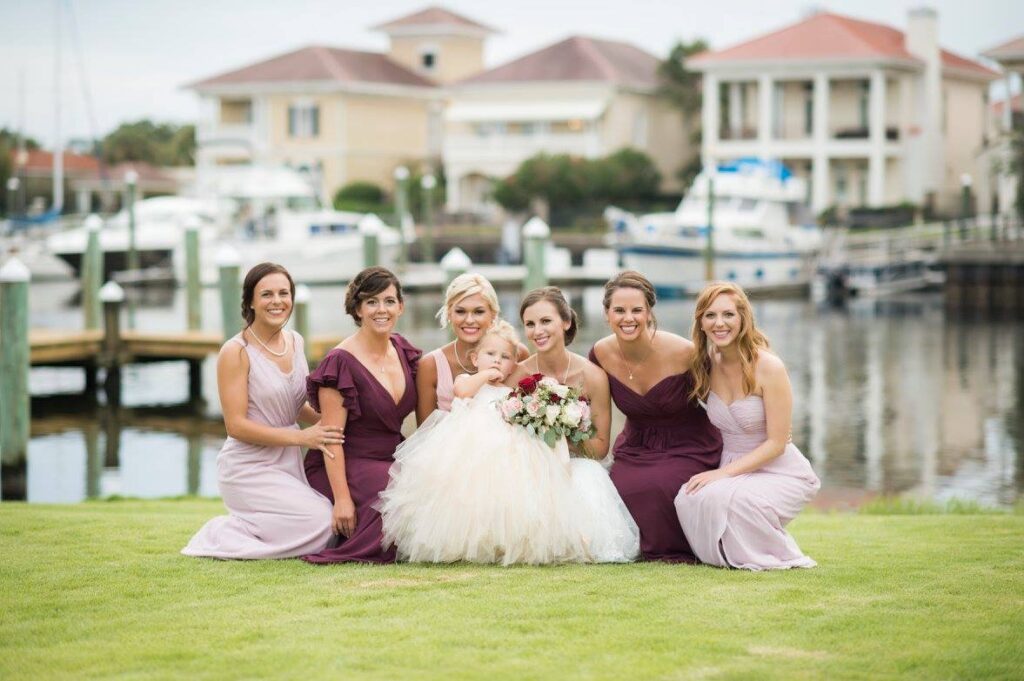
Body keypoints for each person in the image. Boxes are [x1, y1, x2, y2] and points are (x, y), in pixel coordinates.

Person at [377, 321, 588, 565]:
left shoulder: (510, 391)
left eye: (505, 357)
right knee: (466, 497)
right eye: (490, 354)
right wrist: (485, 375)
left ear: (513, 365)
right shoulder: (467, 379)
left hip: (504, 452)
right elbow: (463, 392)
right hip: (469, 448)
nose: (497, 360)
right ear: (475, 358)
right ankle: (462, 544)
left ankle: (503, 543)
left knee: (507, 495)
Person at [182, 263, 340, 559]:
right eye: (266, 294)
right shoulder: (236, 351)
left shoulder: (295, 341)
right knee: (321, 524)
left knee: (329, 522)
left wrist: (330, 423)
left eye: (284, 293)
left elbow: (293, 404)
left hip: (286, 462)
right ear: (251, 301)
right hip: (247, 467)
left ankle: (256, 528)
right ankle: (224, 533)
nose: (277, 301)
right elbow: (236, 426)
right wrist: (304, 439)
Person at [674, 282, 819, 570]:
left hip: (778, 467)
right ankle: (723, 556)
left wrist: (721, 474)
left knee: (736, 500)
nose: (720, 323)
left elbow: (778, 443)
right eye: (710, 315)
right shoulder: (704, 365)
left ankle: (766, 555)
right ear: (700, 322)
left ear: (743, 319)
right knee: (687, 497)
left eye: (728, 315)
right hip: (731, 462)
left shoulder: (768, 366)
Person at [589, 271, 722, 563]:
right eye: (619, 310)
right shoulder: (600, 353)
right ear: (607, 313)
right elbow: (591, 405)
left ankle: (684, 548)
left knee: (661, 485)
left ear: (649, 312)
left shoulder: (685, 352)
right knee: (620, 487)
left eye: (637, 310)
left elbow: (722, 399)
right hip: (637, 445)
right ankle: (635, 547)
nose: (628, 318)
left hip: (690, 443)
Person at [301, 267, 420, 564]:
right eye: (372, 302)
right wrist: (342, 499)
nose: (382, 310)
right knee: (397, 499)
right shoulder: (339, 362)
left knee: (432, 488)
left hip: (393, 456)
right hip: (347, 461)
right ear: (357, 308)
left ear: (401, 306)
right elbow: (330, 438)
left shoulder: (403, 350)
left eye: (390, 301)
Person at [519, 287, 640, 563]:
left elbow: (599, 449)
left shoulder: (593, 376)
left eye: (546, 321)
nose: (538, 330)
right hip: (532, 463)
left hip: (578, 461)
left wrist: (561, 432)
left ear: (566, 322)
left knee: (585, 482)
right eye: (530, 324)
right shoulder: (519, 374)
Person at [416, 272, 527, 423]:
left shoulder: (517, 353)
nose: (469, 320)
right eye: (460, 311)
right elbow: (424, 432)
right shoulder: (430, 365)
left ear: (493, 314)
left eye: (479, 312)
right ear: (449, 313)